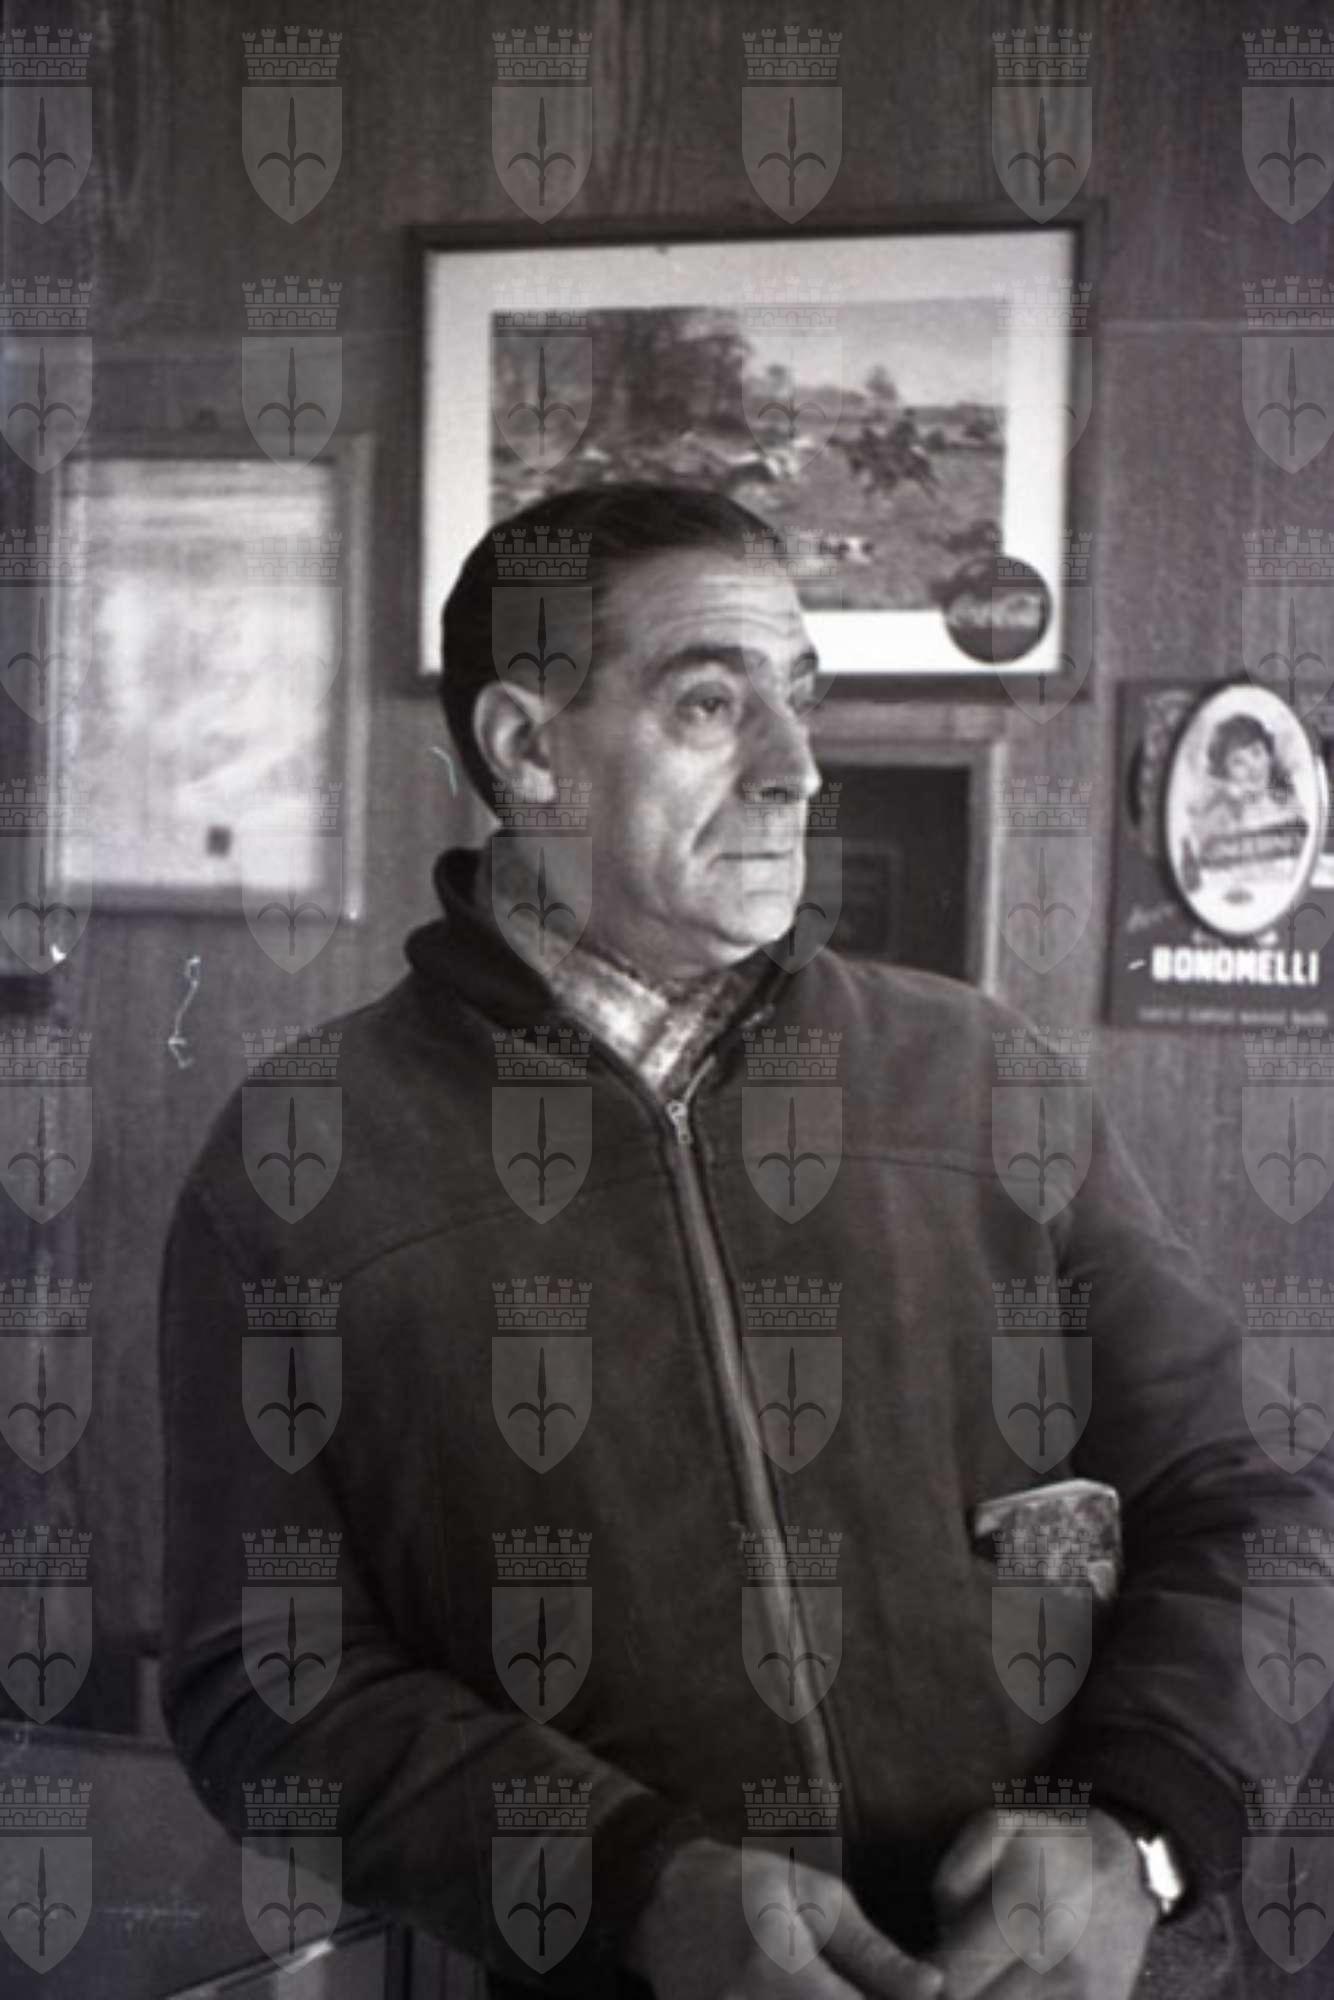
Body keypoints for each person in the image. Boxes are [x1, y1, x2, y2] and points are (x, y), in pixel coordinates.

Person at [159, 483, 1332, 2000]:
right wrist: (630, 1890)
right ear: (527, 748)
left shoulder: (982, 1077)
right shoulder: (298, 1158)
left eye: (799, 698)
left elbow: (1246, 1502)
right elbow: (264, 1678)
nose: (797, 769)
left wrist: (1138, 1829)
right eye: (712, 704)